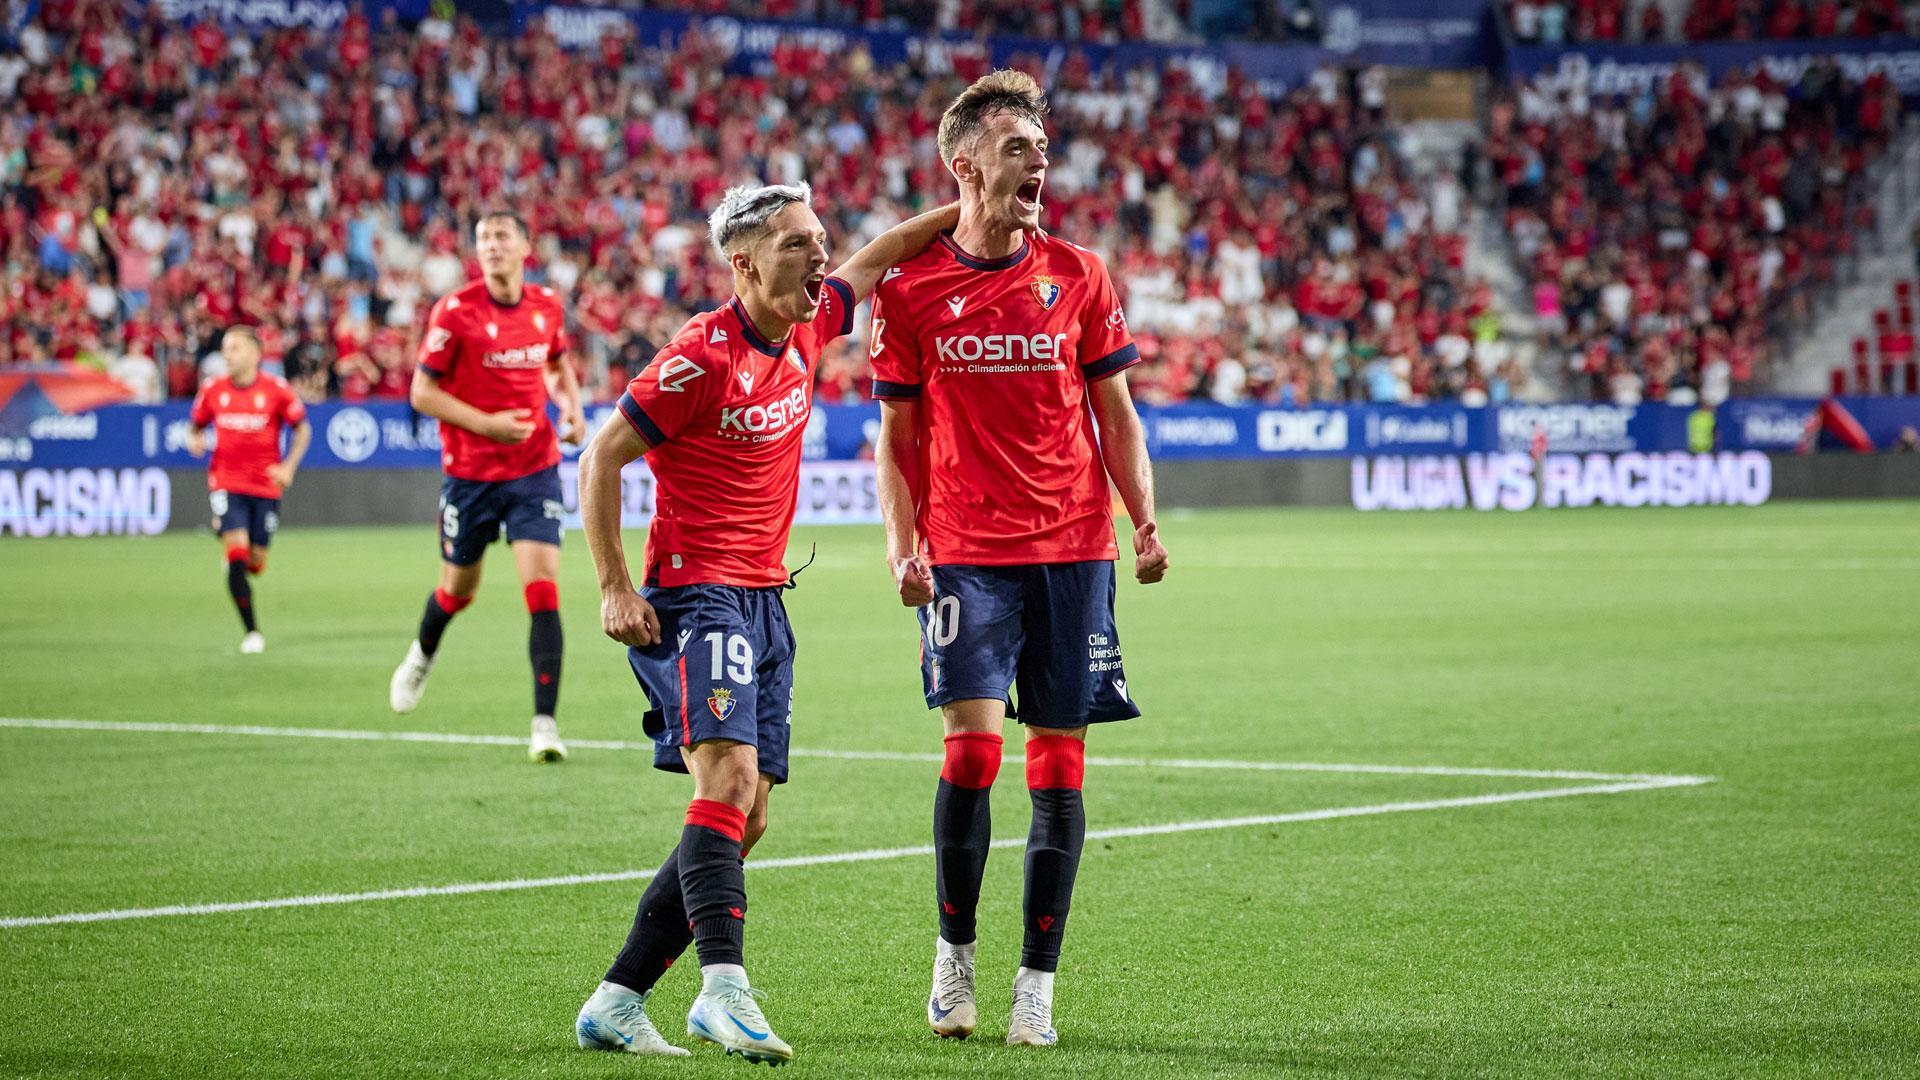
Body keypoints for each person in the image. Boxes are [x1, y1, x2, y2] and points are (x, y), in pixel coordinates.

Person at [571, 184, 960, 1064]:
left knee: (746, 820)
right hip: (696, 593)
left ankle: (618, 999)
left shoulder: (813, 322)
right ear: (743, 263)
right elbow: (600, 458)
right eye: (798, 244)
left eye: (818, 240)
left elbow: (884, 248)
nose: (821, 258)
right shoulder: (696, 358)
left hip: (764, 598)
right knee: (729, 782)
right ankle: (724, 989)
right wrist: (612, 586)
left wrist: (972, 212)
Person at [868, 69, 1169, 1047]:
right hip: (965, 553)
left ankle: (1036, 981)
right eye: (1016, 149)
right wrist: (901, 545)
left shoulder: (1080, 274)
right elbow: (897, 438)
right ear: (965, 166)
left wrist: (1145, 520)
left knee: (1059, 767)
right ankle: (954, 957)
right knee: (972, 748)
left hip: (1074, 551)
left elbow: (1114, 415)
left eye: (1041, 149)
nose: (1037, 163)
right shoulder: (911, 291)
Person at [386, 211, 586, 764]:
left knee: (542, 588)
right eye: (483, 239)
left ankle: (544, 723)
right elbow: (422, 394)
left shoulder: (545, 304)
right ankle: (422, 655)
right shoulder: (455, 311)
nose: (492, 246)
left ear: (526, 244)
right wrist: (488, 424)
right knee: (458, 591)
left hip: (533, 468)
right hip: (471, 475)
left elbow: (558, 363)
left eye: (501, 236)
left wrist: (570, 408)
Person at [187, 326, 311, 654]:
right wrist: (195, 438)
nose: (228, 355)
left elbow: (303, 430)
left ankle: (231, 543)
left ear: (256, 354)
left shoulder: (276, 390)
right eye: (226, 349)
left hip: (265, 486)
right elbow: (195, 425)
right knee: (237, 553)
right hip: (226, 482)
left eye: (236, 348)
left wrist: (288, 467)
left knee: (255, 563)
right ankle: (252, 632)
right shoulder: (212, 390)